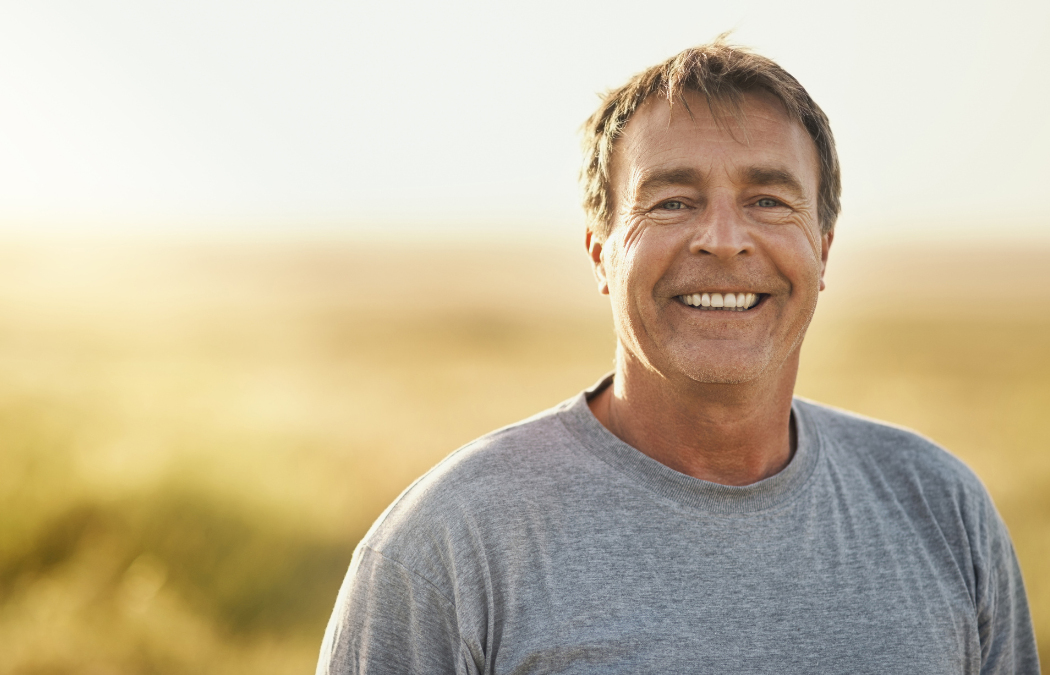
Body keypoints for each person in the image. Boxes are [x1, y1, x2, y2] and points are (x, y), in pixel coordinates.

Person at [317, 40, 1039, 674]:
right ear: (600, 249)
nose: (723, 240)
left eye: (769, 200)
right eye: (671, 202)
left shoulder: (941, 510)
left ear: (823, 248)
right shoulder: (448, 548)